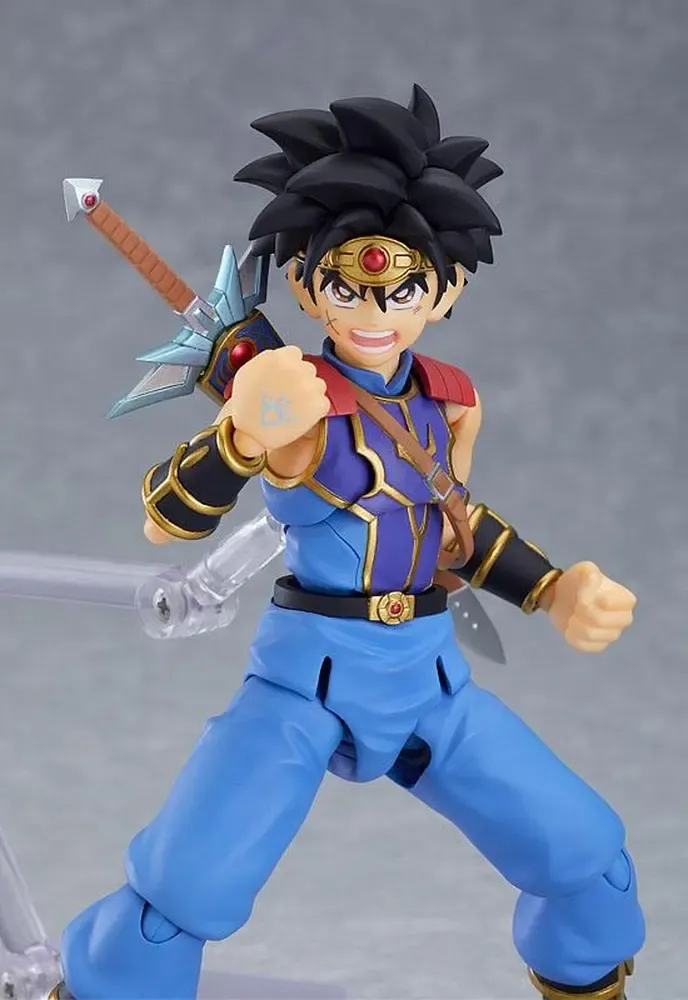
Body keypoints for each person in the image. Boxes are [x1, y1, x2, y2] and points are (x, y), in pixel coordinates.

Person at [52, 86, 644, 1000]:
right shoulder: (290, 398)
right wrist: (239, 438)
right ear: (305, 286)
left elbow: (452, 529)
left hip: (428, 678)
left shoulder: (449, 401)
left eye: (401, 289)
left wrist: (551, 588)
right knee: (176, 900)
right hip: (307, 681)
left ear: (445, 290)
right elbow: (168, 515)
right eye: (346, 286)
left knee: (591, 865)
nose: (374, 309)